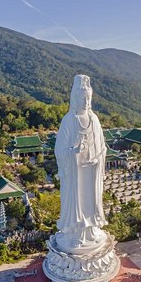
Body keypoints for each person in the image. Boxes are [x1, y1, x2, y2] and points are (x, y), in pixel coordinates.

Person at [54, 75, 107, 251]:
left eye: (88, 98)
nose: (85, 102)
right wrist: (73, 152)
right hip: (75, 171)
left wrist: (98, 157)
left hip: (91, 170)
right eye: (82, 98)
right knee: (77, 202)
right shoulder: (69, 120)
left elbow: (102, 146)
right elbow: (59, 149)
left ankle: (91, 230)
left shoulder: (95, 120)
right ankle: (76, 233)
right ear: (74, 99)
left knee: (91, 201)